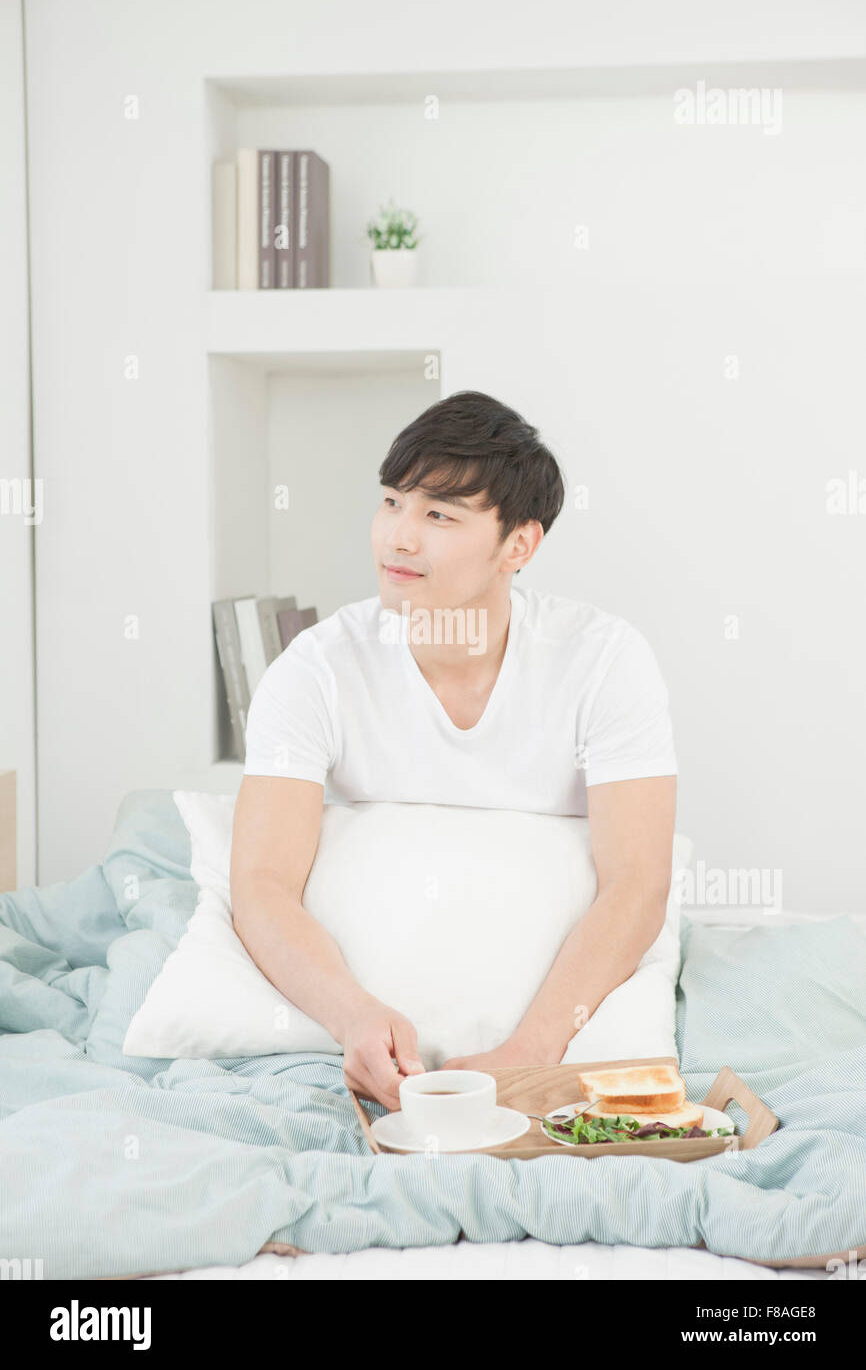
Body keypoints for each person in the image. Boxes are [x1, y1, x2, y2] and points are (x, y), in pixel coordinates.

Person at [230, 390, 677, 1111]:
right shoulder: (315, 669)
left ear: (520, 545)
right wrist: (355, 1018)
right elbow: (261, 883)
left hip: (549, 1045)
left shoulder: (604, 661)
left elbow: (638, 883)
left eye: (439, 515)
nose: (398, 538)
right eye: (391, 502)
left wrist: (528, 1055)